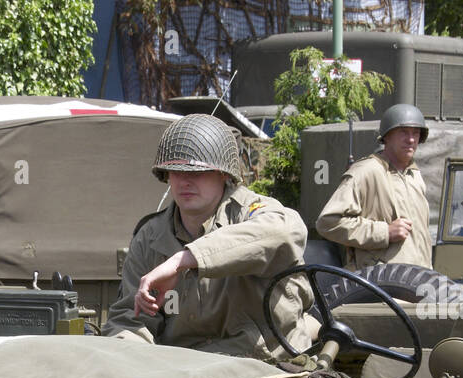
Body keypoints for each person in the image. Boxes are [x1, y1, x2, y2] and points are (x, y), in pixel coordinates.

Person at [103, 113, 319, 361]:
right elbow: (129, 321)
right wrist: (131, 358)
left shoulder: (253, 213)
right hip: (184, 371)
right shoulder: (150, 236)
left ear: (224, 174)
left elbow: (285, 232)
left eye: (198, 171)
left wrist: (184, 259)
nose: (184, 180)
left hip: (266, 366)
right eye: (175, 170)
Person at [315, 103, 432, 271]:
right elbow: (327, 223)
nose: (411, 139)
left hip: (418, 281)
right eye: (403, 132)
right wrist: (384, 232)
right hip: (381, 285)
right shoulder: (366, 172)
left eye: (416, 133)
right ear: (387, 137)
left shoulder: (414, 175)